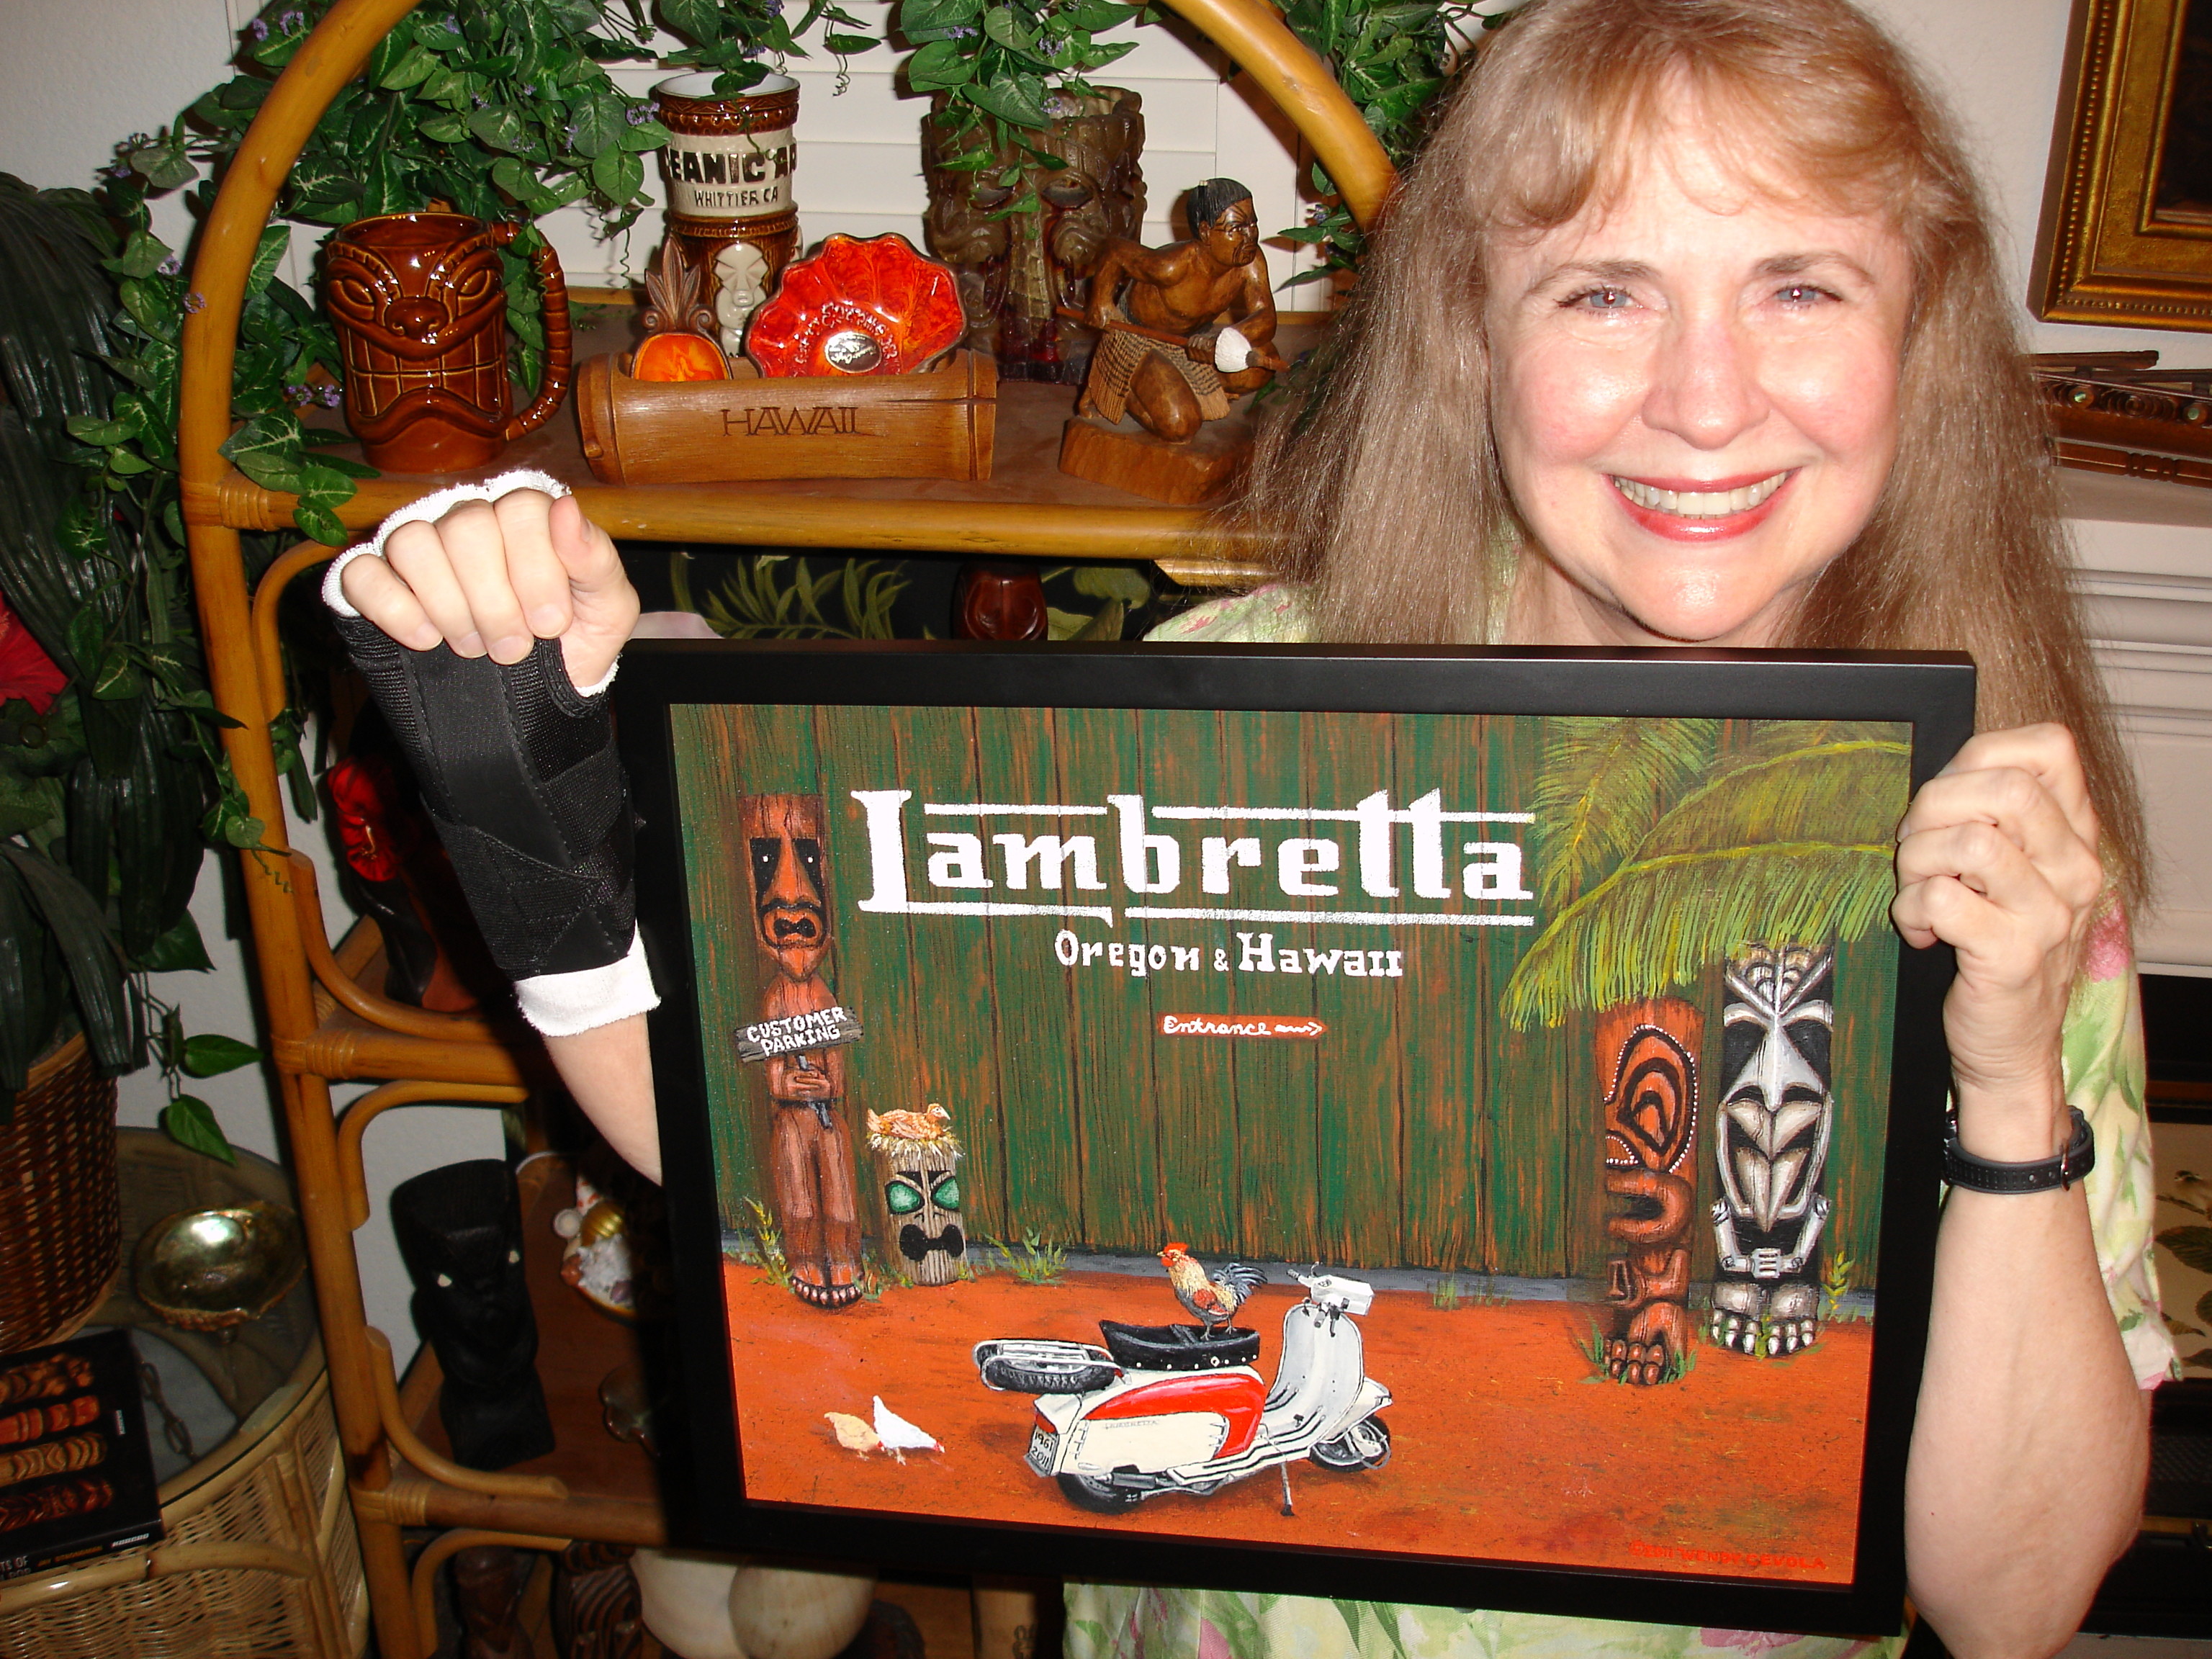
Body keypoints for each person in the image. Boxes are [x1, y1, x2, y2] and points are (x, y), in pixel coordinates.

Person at [324, 1, 2172, 1655]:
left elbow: (2007, 1607)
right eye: (1602, 291)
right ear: (1471, 336)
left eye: (1799, 287)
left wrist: (2009, 1082)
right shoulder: (1240, 697)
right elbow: (764, 1136)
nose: (1703, 401)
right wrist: (522, 755)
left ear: (1918, 334)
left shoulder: (1990, 854)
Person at [1078, 176, 1290, 441]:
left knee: (1261, 365)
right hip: (1140, 340)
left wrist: (1223, 340)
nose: (1250, 236)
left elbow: (1265, 316)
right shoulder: (1171, 266)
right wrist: (1100, 302)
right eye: (1236, 228)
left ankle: (1190, 387)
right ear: (1205, 232)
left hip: (1193, 340)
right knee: (1180, 425)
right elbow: (1115, 250)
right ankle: (1117, 387)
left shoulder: (1250, 260)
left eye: (1252, 224)